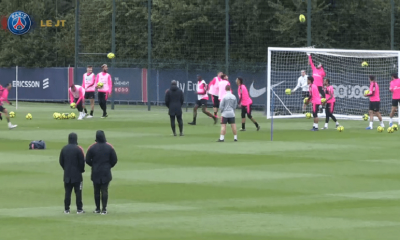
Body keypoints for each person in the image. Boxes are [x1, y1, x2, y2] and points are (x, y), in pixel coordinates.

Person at [86, 130, 118, 215]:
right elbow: (114, 160)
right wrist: (109, 166)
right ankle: (104, 209)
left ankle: (97, 208)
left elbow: (87, 160)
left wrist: (94, 165)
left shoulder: (92, 147)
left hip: (96, 171)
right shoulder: (109, 147)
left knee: (96, 191)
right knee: (104, 190)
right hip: (106, 172)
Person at [59, 133, 85, 214]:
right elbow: (82, 162)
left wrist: (65, 168)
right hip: (77, 175)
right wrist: (81, 170)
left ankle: (66, 209)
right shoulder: (78, 149)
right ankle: (79, 209)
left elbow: (61, 161)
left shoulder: (64, 149)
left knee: (67, 192)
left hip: (67, 174)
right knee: (78, 192)